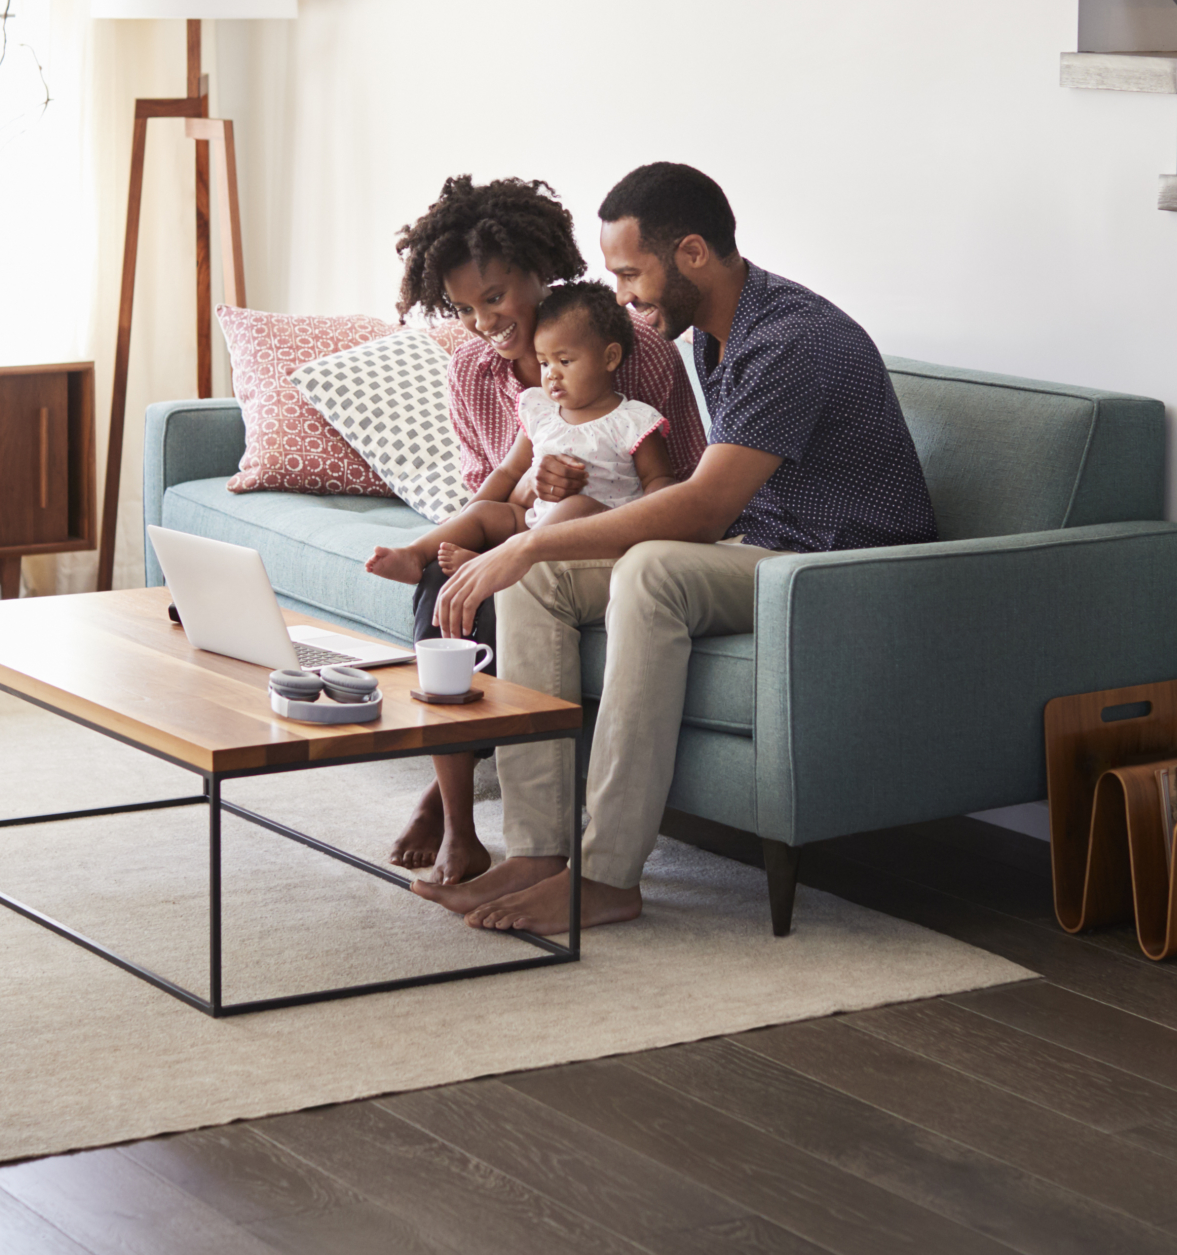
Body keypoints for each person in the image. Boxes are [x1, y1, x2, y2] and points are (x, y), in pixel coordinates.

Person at [416, 162, 938, 934]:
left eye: (630, 273)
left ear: (691, 253)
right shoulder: (718, 336)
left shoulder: (789, 339)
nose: (622, 295)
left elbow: (700, 508)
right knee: (536, 581)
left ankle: (606, 878)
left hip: (838, 568)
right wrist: (530, 549)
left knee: (648, 570)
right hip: (764, 549)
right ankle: (538, 852)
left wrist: (522, 546)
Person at [382, 177, 707, 885]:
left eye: (495, 299)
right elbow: (491, 487)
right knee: (446, 583)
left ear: (539, 271)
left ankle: (451, 797)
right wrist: (528, 495)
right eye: (465, 308)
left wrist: (564, 500)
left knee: (503, 579)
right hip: (521, 523)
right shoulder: (470, 368)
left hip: (611, 531)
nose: (483, 323)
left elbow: (677, 483)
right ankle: (460, 828)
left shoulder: (633, 350)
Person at [367, 281, 677, 584]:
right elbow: (508, 471)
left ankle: (496, 561)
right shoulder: (541, 410)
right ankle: (415, 554)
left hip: (599, 532)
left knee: (577, 506)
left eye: (564, 361)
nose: (551, 373)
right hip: (535, 522)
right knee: (487, 512)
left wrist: (649, 523)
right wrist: (470, 515)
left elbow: (658, 481)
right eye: (544, 363)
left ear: (610, 358)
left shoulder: (633, 420)